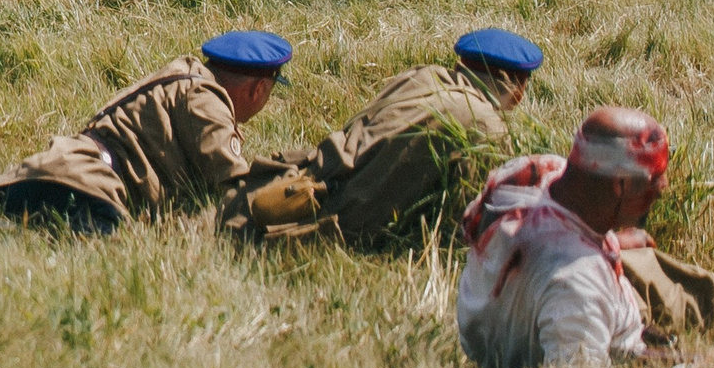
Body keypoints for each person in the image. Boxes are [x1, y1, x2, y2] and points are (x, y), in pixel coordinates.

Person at [456, 107, 714, 368]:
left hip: (509, 306)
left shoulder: (531, 174)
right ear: (620, 185)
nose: (664, 187)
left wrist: (611, 240)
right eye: (654, 182)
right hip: (584, 321)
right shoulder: (579, 288)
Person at [0, 31, 292, 233]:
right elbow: (233, 187)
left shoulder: (184, 75)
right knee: (86, 249)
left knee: (12, 229)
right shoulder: (208, 100)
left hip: (52, 170)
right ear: (258, 89)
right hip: (90, 188)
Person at [220, 28, 539, 247]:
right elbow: (464, 218)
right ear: (519, 88)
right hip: (352, 226)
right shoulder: (487, 128)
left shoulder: (422, 75)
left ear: (462, 63)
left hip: (314, 181)